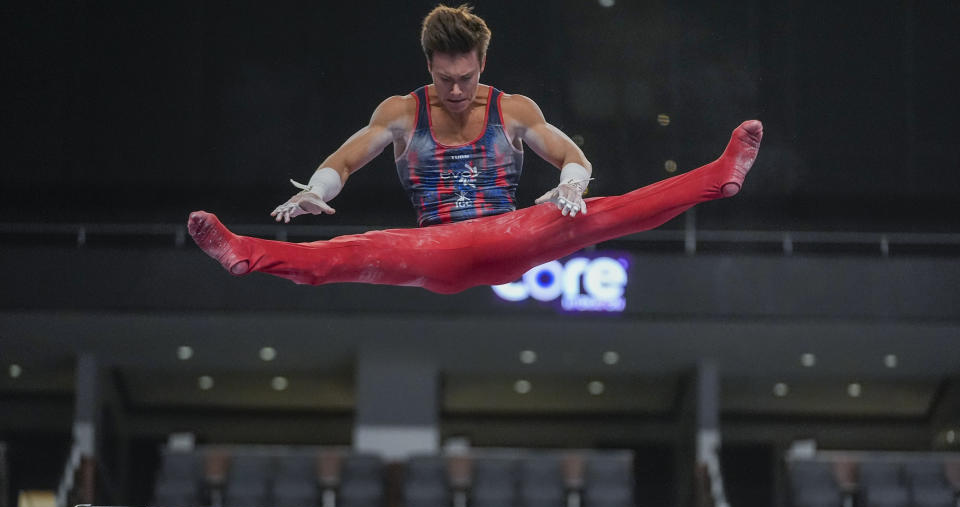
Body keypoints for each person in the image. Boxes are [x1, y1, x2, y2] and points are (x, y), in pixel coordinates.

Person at [189, 4, 762, 295]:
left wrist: (571, 183)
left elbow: (573, 157)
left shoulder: (513, 110)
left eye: (465, 77)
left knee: (608, 213)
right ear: (429, 67)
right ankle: (245, 252)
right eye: (444, 78)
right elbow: (343, 162)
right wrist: (319, 189)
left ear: (482, 64)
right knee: (346, 252)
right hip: (434, 251)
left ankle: (720, 173)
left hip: (511, 237)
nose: (456, 91)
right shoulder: (399, 113)